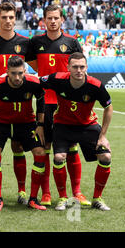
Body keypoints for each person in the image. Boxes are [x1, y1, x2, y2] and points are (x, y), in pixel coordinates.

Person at [27, 4, 86, 207]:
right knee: (44, 147)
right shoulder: (35, 42)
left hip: (67, 104)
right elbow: (34, 66)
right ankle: (46, 193)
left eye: (56, 18)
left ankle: (76, 192)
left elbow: (80, 69)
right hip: (44, 103)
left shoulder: (72, 42)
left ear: (62, 19)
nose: (53, 21)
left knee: (71, 147)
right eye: (49, 18)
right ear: (44, 20)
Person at [0, 2, 35, 206]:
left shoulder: (25, 43)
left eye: (11, 17)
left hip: (20, 106)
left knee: (18, 147)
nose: (8, 21)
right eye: (4, 17)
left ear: (15, 17)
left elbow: (36, 66)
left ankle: (21, 191)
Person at [39, 52, 113, 211]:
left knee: (106, 156)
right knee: (59, 157)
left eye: (82, 67)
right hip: (63, 125)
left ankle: (97, 198)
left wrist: (103, 136)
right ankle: (63, 198)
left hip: (88, 125)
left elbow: (108, 107)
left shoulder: (95, 85)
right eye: (75, 67)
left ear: (86, 68)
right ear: (68, 67)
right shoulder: (57, 79)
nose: (79, 70)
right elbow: (37, 82)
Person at [0, 56, 47, 211]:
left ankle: (30, 196)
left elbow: (41, 99)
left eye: (20, 73)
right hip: (1, 123)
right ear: (7, 72)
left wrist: (40, 125)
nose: (17, 77)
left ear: (25, 71)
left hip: (25, 123)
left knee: (40, 153)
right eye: (13, 73)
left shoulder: (33, 82)